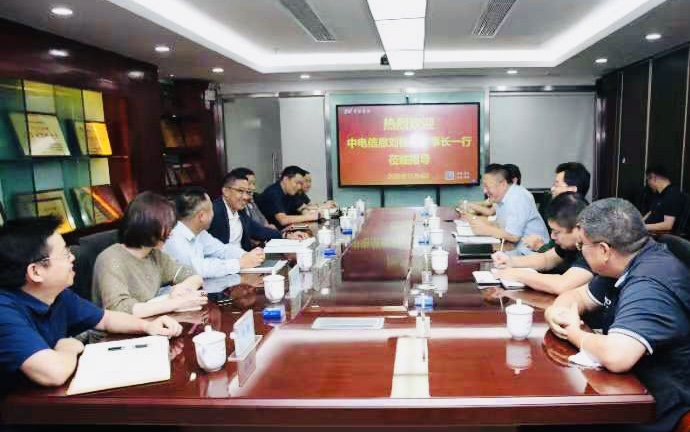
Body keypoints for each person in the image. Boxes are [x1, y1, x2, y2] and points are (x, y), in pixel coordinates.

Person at [545, 198, 690, 432]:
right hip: (628, 388)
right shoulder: (623, 263)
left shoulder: (649, 283)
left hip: (656, 406)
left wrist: (573, 332)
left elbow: (617, 356)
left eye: (582, 244)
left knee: (551, 419)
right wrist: (557, 312)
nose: (580, 250)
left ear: (604, 250)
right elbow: (578, 296)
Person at [0, 216, 183, 391]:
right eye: (65, 254)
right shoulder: (4, 310)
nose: (72, 258)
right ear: (36, 272)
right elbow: (53, 373)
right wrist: (67, 348)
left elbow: (106, 318)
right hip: (18, 408)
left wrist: (147, 326)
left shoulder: (58, 295)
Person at [93, 192, 206, 318]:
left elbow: (193, 275)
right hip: (118, 330)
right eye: (166, 227)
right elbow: (119, 309)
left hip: (150, 323)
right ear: (147, 226)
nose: (171, 233)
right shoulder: (110, 259)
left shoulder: (155, 255)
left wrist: (184, 287)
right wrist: (175, 304)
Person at [491, 192, 593, 294]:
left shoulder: (593, 248)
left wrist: (518, 275)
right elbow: (546, 259)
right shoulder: (571, 244)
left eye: (557, 232)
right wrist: (510, 261)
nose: (552, 236)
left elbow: (562, 285)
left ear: (578, 228)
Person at [165, 186, 265, 278]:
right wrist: (239, 263)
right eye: (211, 209)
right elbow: (199, 270)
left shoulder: (198, 232)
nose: (214, 213)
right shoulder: (174, 238)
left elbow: (221, 250)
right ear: (201, 216)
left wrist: (248, 256)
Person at [465, 165, 549, 255]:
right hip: (512, 248)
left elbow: (514, 236)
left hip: (532, 253)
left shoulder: (517, 197)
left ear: (503, 184)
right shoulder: (502, 197)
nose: (485, 191)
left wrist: (485, 229)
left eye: (487, 186)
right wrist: (474, 221)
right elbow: (500, 225)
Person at [524, 162, 591, 251]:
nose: (552, 189)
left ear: (572, 189)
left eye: (556, 185)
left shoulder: (581, 219)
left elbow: (558, 257)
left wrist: (540, 246)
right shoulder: (560, 212)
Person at [643, 165, 683, 232]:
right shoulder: (659, 195)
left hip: (661, 236)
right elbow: (651, 212)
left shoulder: (672, 195)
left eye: (648, 180)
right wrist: (639, 223)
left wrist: (642, 227)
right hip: (650, 232)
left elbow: (668, 225)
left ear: (654, 178)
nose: (648, 184)